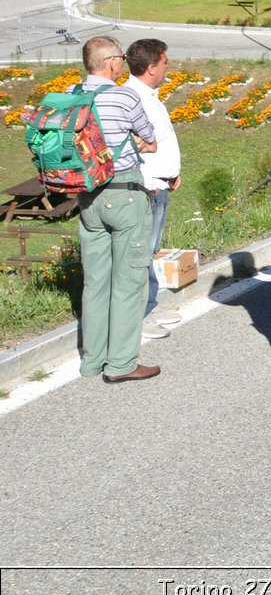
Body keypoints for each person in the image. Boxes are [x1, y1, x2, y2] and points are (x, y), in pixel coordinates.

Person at [75, 36, 160, 383]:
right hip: (123, 193)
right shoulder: (123, 96)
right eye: (121, 58)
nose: (123, 63)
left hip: (87, 198)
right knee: (128, 282)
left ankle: (92, 360)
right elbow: (150, 140)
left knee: (95, 282)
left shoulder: (70, 95)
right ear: (110, 63)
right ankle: (122, 364)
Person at [125, 38, 183, 342]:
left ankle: (149, 304)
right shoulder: (134, 99)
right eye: (164, 62)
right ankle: (139, 315)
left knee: (149, 250)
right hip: (148, 188)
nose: (167, 66)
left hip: (160, 183)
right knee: (141, 252)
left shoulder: (148, 94)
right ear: (150, 67)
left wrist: (172, 172)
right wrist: (153, 181)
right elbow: (135, 148)